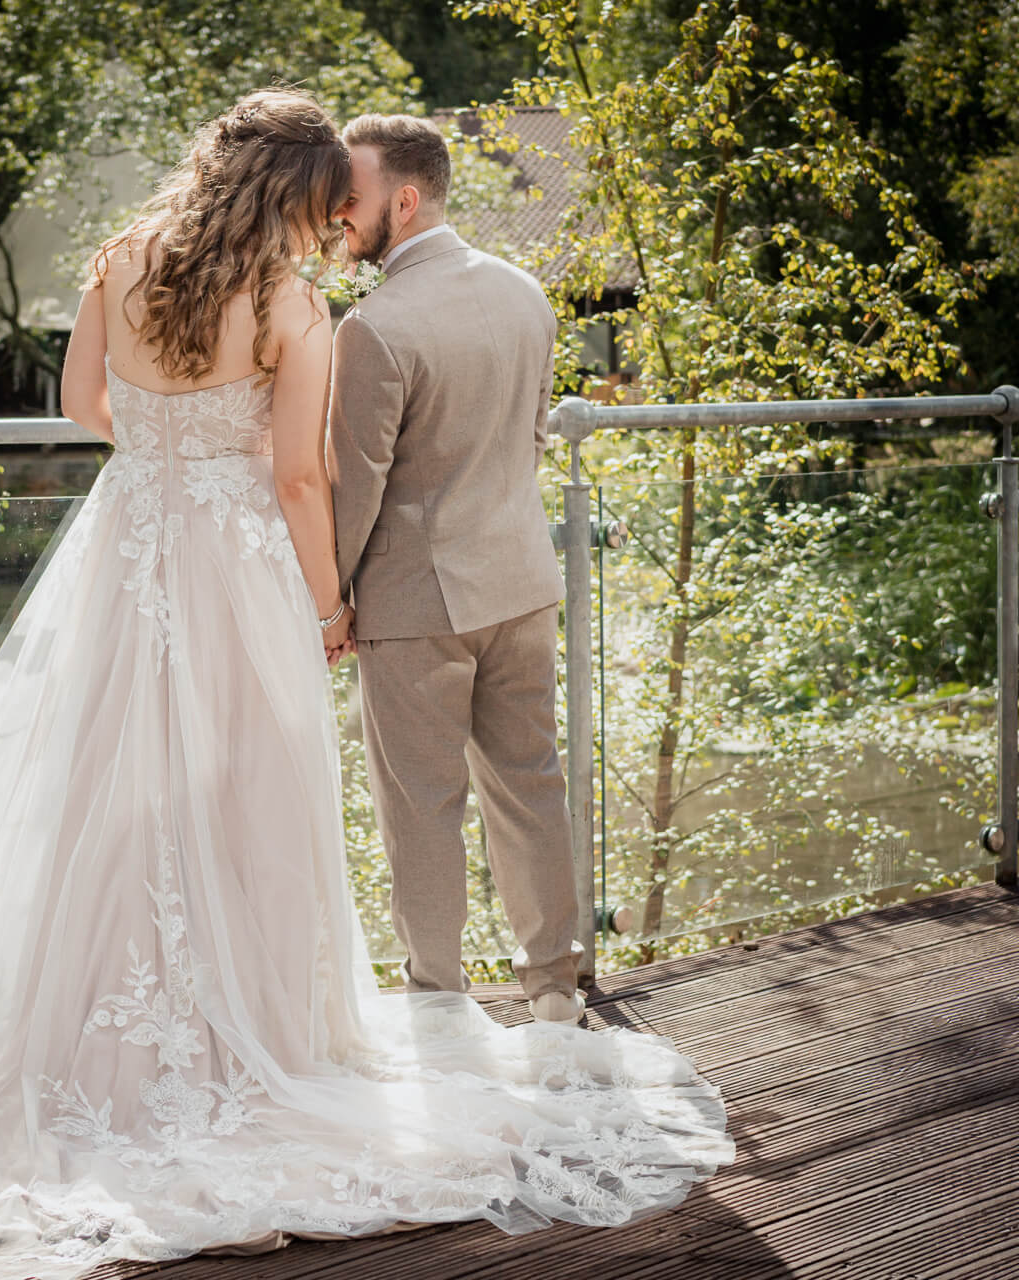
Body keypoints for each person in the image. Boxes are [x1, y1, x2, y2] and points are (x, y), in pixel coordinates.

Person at [0, 90, 732, 1279]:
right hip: (238, 568)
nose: (332, 230)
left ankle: (86, 1040)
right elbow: (299, 482)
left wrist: (165, 457)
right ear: (292, 197)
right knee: (248, 796)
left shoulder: (121, 262)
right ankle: (264, 1033)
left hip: (128, 551)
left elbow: (81, 409)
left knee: (96, 785)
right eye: (323, 207)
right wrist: (326, 604)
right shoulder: (290, 301)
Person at [326, 114, 586, 1025]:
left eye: (349, 197)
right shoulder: (527, 291)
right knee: (531, 785)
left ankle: (439, 1001)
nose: (337, 216)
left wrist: (331, 603)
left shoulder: (374, 326)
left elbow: (352, 490)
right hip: (521, 577)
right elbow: (531, 434)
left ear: (405, 197)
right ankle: (554, 986)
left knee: (423, 810)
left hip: (414, 603)